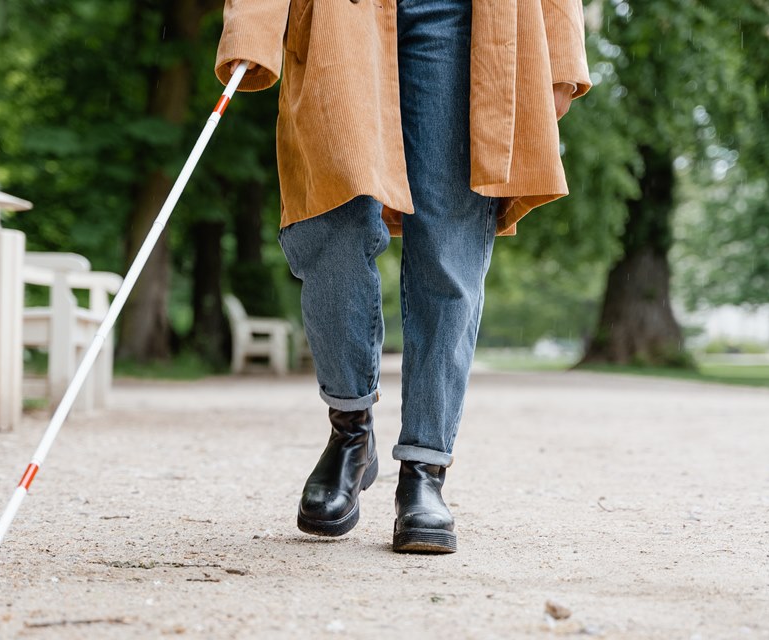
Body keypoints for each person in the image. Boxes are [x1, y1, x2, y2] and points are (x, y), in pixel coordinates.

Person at [215, 0, 590, 553]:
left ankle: (425, 471)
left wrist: (560, 54)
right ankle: (350, 429)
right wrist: (251, 23)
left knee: (449, 249)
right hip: (343, 18)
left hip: (462, 20)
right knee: (331, 221)